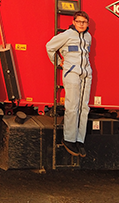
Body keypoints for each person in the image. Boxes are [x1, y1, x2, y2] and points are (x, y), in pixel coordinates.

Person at [45, 11, 93, 158]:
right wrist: (59, 63)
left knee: (84, 107)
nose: (81, 24)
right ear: (73, 22)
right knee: (72, 106)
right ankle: (69, 139)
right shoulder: (67, 35)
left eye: (84, 22)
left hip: (86, 74)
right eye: (78, 21)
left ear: (87, 24)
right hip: (72, 73)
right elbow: (49, 47)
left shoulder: (88, 37)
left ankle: (80, 140)